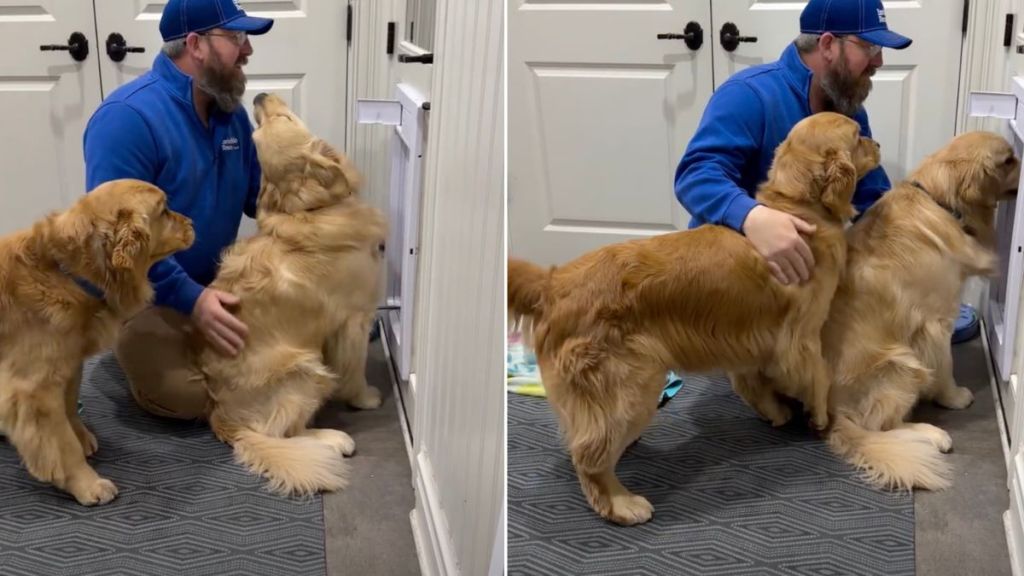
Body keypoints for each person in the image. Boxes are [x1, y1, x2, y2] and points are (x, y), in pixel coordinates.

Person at [674, 0, 978, 344]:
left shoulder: (847, 106)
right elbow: (696, 175)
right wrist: (752, 217)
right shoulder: (749, 95)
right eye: (870, 47)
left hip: (806, 275)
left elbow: (871, 199)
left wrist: (926, 246)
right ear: (828, 44)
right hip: (736, 283)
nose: (879, 62)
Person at [82, 0, 274, 419]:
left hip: (217, 281)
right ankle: (135, 344)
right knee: (186, 397)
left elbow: (261, 199)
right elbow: (118, 240)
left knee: (291, 350)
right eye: (237, 38)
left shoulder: (232, 117)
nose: (247, 51)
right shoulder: (127, 119)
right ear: (195, 45)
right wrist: (193, 299)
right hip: (144, 295)